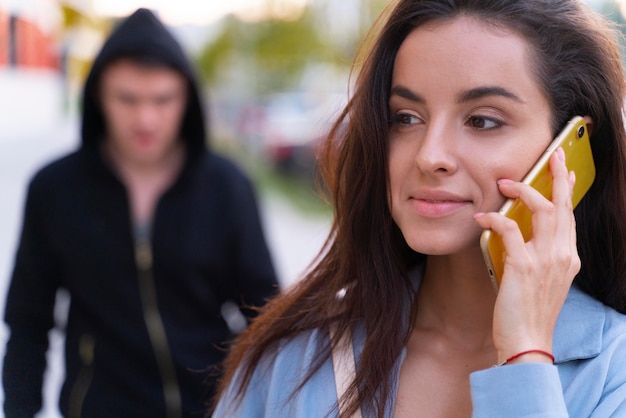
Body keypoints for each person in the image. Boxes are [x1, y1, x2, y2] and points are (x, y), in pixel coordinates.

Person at [212, 0, 626, 416]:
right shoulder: (294, 360)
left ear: (571, 148)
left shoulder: (614, 370)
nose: (429, 156)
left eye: (482, 120)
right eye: (406, 118)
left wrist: (525, 358)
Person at [3, 8, 279, 418]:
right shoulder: (54, 189)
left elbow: (266, 315)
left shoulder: (227, 187)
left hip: (209, 410)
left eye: (163, 99)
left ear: (187, 97)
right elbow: (28, 323)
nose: (146, 118)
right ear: (98, 95)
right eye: (127, 98)